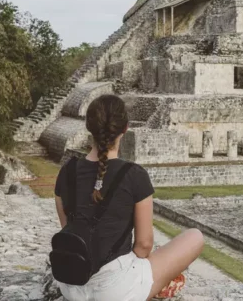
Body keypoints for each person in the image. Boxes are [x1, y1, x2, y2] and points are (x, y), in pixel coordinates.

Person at [53, 94, 204, 300]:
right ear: (125, 128)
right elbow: (143, 246)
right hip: (114, 290)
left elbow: (70, 232)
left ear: (89, 127)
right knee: (195, 237)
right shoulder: (134, 175)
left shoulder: (67, 171)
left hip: (71, 284)